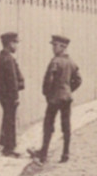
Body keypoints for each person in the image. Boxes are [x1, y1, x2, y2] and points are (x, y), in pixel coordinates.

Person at [31, 35, 82, 164]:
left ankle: (43, 154)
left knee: (48, 124)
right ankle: (65, 154)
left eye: (55, 45)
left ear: (62, 47)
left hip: (54, 98)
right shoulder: (71, 62)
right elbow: (79, 80)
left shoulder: (55, 61)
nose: (53, 48)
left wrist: (47, 93)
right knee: (66, 125)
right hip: (66, 98)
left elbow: (49, 80)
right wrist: (69, 90)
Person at [0, 32, 25, 157]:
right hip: (9, 95)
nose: (16, 46)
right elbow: (12, 80)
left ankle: (6, 144)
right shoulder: (8, 59)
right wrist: (15, 96)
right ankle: (9, 148)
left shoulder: (1, 58)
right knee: (10, 120)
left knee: (8, 118)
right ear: (10, 43)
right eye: (15, 43)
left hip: (3, 94)